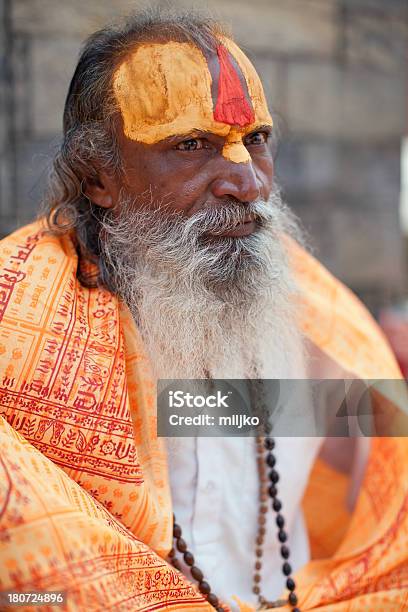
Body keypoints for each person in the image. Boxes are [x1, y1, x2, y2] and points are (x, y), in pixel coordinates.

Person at [0, 7, 407, 612]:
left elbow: (372, 447)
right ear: (97, 178)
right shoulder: (15, 319)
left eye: (256, 140)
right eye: (191, 145)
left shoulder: (310, 306)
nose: (247, 183)